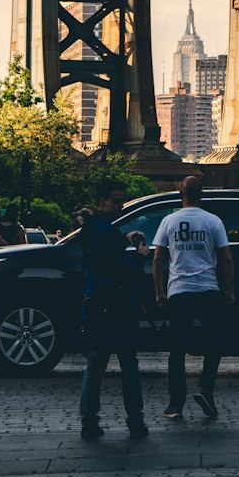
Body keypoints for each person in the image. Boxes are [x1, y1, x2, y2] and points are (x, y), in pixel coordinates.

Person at [152, 174, 235, 421]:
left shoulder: (169, 221)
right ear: (201, 195)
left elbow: (158, 259)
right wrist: (229, 290)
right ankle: (205, 389)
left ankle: (176, 404)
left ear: (181, 194)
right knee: (214, 343)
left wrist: (159, 291)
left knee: (177, 350)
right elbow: (227, 258)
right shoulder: (213, 221)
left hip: (179, 292)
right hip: (208, 290)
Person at [79, 178, 149, 442]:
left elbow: (103, 255)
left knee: (95, 365)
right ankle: (136, 422)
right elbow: (117, 269)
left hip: (96, 307)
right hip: (118, 308)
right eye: (116, 201)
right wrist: (139, 256)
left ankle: (89, 421)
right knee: (129, 365)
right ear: (102, 201)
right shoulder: (106, 230)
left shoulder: (92, 229)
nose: (121, 206)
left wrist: (124, 240)